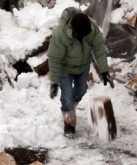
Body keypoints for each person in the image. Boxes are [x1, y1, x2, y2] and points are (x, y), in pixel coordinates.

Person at [47, 7, 112, 137]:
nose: (82, 37)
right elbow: (54, 59)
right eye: (79, 35)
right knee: (67, 95)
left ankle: (70, 107)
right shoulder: (60, 35)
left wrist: (104, 71)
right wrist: (54, 82)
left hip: (82, 67)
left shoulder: (91, 27)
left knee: (81, 90)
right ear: (71, 27)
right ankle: (69, 124)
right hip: (65, 69)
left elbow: (99, 48)